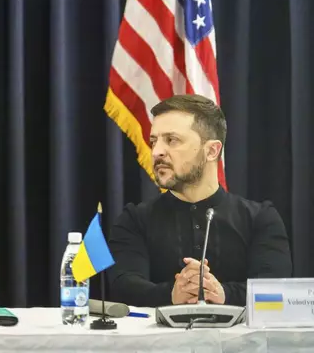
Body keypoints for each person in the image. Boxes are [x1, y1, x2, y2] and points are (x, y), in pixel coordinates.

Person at [107, 95, 292, 308]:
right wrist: (172, 294)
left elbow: (276, 293)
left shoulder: (260, 218)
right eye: (153, 141)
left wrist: (223, 294)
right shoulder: (134, 220)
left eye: (172, 140)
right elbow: (123, 287)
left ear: (212, 150)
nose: (156, 151)